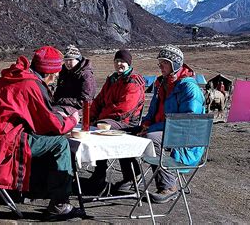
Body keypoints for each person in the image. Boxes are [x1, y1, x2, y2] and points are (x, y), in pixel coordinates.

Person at [0, 46, 83, 220]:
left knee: (46, 139)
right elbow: (51, 125)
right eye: (56, 73)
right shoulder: (30, 85)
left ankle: (37, 188)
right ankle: (59, 204)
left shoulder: (15, 77)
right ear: (49, 72)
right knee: (60, 143)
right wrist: (72, 119)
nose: (56, 77)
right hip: (2, 144)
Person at [139, 45, 205, 204]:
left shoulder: (189, 87)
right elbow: (153, 112)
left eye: (165, 62)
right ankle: (130, 179)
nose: (160, 66)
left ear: (175, 64)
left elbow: (187, 122)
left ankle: (169, 187)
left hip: (186, 136)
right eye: (160, 62)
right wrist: (145, 124)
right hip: (163, 129)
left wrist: (151, 129)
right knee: (130, 133)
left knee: (151, 139)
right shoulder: (161, 84)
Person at [87, 49, 145, 193]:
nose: (119, 64)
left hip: (126, 122)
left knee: (100, 129)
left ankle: (100, 173)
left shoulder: (133, 82)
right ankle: (101, 173)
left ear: (129, 64)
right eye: (117, 61)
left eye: (123, 62)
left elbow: (124, 109)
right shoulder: (113, 79)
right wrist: (90, 116)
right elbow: (99, 101)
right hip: (110, 119)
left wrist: (100, 119)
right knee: (93, 127)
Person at [53, 45, 96, 115]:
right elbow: (59, 91)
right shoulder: (64, 72)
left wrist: (61, 100)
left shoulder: (86, 75)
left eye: (70, 60)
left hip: (80, 109)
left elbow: (85, 101)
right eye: (66, 60)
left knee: (55, 113)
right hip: (63, 105)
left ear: (78, 60)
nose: (67, 63)